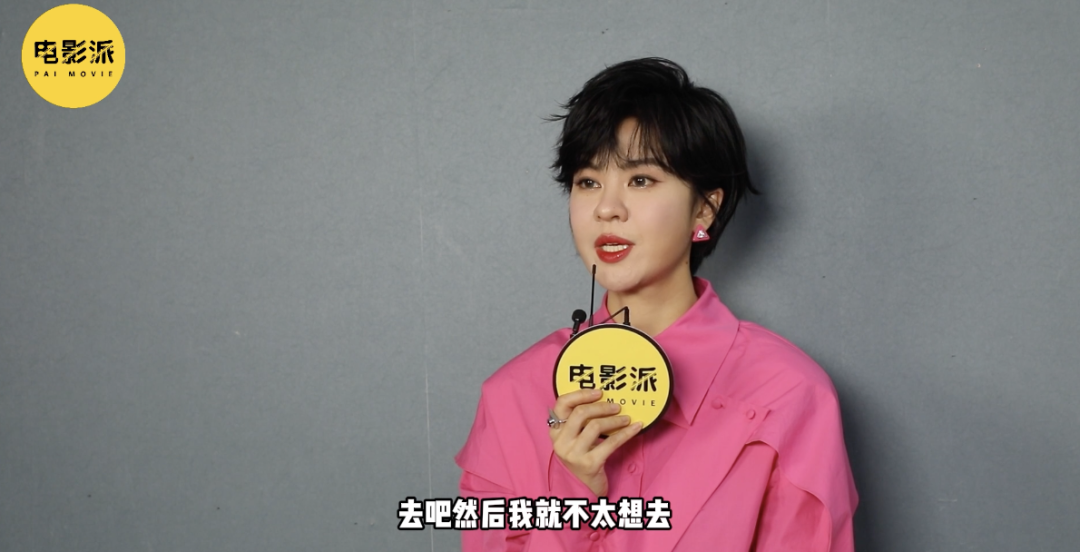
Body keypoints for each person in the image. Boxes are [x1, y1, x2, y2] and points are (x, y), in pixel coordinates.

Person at [456, 57, 858, 551]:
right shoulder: (513, 396)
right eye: (588, 181)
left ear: (704, 208)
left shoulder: (788, 394)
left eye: (641, 179)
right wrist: (573, 499)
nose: (607, 208)